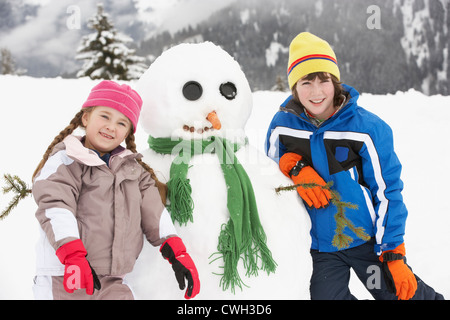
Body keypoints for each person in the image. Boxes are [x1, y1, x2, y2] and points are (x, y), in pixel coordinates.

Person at [265, 32, 444, 300]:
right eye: (306, 82)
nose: (316, 92)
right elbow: (267, 182)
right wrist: (291, 165)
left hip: (364, 240)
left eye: (323, 80)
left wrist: (393, 253)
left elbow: (387, 192)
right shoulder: (281, 126)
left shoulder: (367, 129)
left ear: (335, 82)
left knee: (401, 294)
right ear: (294, 87)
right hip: (318, 248)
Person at [31, 80, 200, 300]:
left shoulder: (134, 171)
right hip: (64, 274)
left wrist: (177, 252)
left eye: (122, 123)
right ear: (86, 117)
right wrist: (72, 255)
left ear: (128, 132)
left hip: (113, 280)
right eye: (105, 116)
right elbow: (56, 207)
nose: (112, 126)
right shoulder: (66, 160)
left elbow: (154, 214)